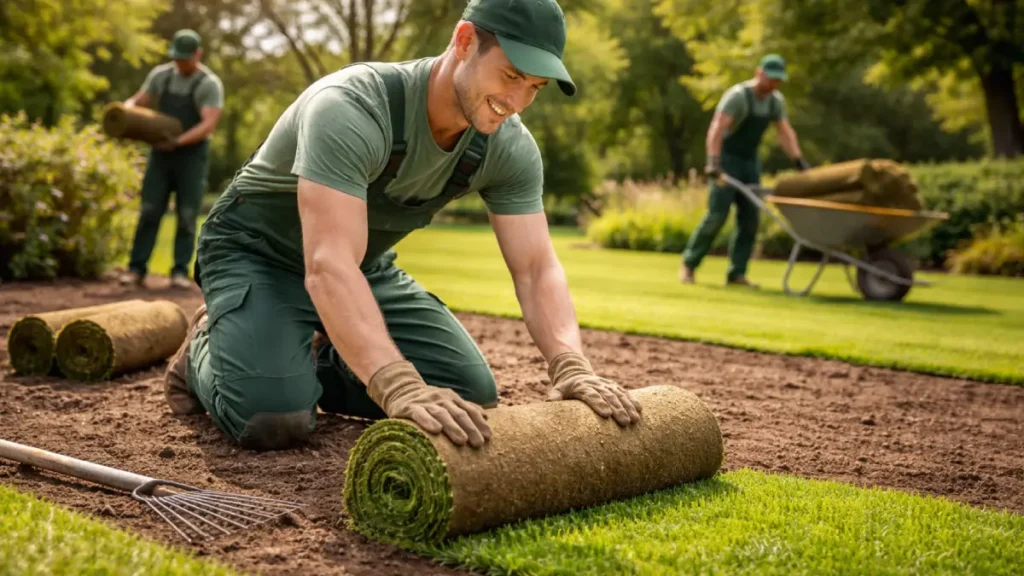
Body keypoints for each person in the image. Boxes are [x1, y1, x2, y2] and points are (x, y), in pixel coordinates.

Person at [161, 0, 643, 451]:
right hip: (257, 254)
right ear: (464, 41)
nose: (517, 101)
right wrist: (397, 385)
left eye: (534, 88)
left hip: (361, 266)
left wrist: (570, 365)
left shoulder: (507, 147)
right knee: (272, 419)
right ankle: (207, 344)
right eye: (511, 75)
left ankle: (302, 347)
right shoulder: (351, 107)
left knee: (467, 394)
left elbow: (536, 268)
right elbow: (327, 264)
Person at [681, 54, 809, 288]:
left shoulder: (775, 101)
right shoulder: (738, 97)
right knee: (716, 215)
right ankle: (689, 265)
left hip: (750, 163)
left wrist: (798, 161)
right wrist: (714, 162)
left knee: (750, 219)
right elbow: (717, 128)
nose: (774, 85)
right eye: (771, 79)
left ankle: (736, 274)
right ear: (759, 73)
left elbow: (785, 132)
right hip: (727, 160)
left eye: (778, 81)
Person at [118, 29, 224, 289]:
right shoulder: (161, 76)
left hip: (191, 156)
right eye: (177, 58)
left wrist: (177, 141)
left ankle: (178, 272)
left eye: (185, 59)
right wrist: (125, 111)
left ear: (197, 55)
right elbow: (139, 100)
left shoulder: (208, 84)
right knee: (149, 210)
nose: (180, 63)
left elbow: (208, 124)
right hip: (160, 155)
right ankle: (136, 269)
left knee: (187, 215)